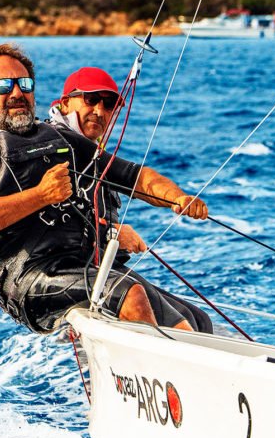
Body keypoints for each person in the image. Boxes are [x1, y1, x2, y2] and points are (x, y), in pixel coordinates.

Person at [0, 43, 212, 335]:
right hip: (29, 276)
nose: (17, 93)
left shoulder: (61, 138)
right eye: (3, 86)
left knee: (194, 321)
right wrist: (41, 196)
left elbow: (133, 176)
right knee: (128, 295)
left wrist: (177, 198)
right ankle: (159, 373)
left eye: (25, 84)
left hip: (86, 266)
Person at [47, 66, 212, 333]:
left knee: (200, 320)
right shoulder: (52, 143)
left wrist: (180, 199)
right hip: (64, 270)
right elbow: (47, 216)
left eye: (109, 104)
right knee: (183, 328)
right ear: (65, 103)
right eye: (91, 100)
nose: (100, 111)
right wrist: (109, 232)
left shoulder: (91, 152)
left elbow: (137, 178)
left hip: (102, 265)